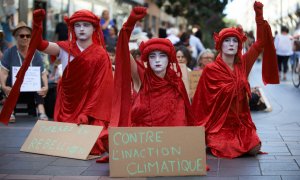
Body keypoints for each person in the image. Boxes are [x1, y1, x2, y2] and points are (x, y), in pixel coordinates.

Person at [192, 1, 279, 158]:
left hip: (241, 123)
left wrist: (259, 15)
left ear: (239, 45)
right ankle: (214, 142)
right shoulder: (211, 69)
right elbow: (201, 102)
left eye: (235, 41)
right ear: (220, 44)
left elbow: (260, 44)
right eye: (227, 40)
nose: (231, 44)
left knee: (254, 148)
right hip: (219, 126)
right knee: (224, 148)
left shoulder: (243, 63)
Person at [31, 9, 114, 155]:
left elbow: (101, 88)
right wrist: (37, 24)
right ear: (72, 28)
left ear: (94, 28)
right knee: (65, 142)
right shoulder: (64, 47)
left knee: (93, 144)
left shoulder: (101, 54)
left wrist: (87, 113)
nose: (81, 29)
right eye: (77, 25)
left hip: (91, 107)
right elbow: (39, 45)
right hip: (67, 103)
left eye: (86, 25)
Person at [110, 7, 194, 128]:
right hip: (144, 142)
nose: (157, 60)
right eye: (153, 56)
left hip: (172, 143)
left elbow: (185, 117)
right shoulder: (141, 78)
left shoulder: (177, 83)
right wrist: (130, 24)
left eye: (162, 55)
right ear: (147, 60)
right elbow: (122, 50)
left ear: (169, 59)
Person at [0, 21, 48, 122]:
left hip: (31, 89)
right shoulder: (9, 52)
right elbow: (3, 72)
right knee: (9, 78)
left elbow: (43, 73)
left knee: (38, 78)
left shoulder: (36, 53)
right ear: (16, 37)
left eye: (28, 36)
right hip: (14, 88)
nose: (25, 38)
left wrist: (46, 87)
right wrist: (3, 86)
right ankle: (10, 112)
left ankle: (41, 110)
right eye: (22, 36)